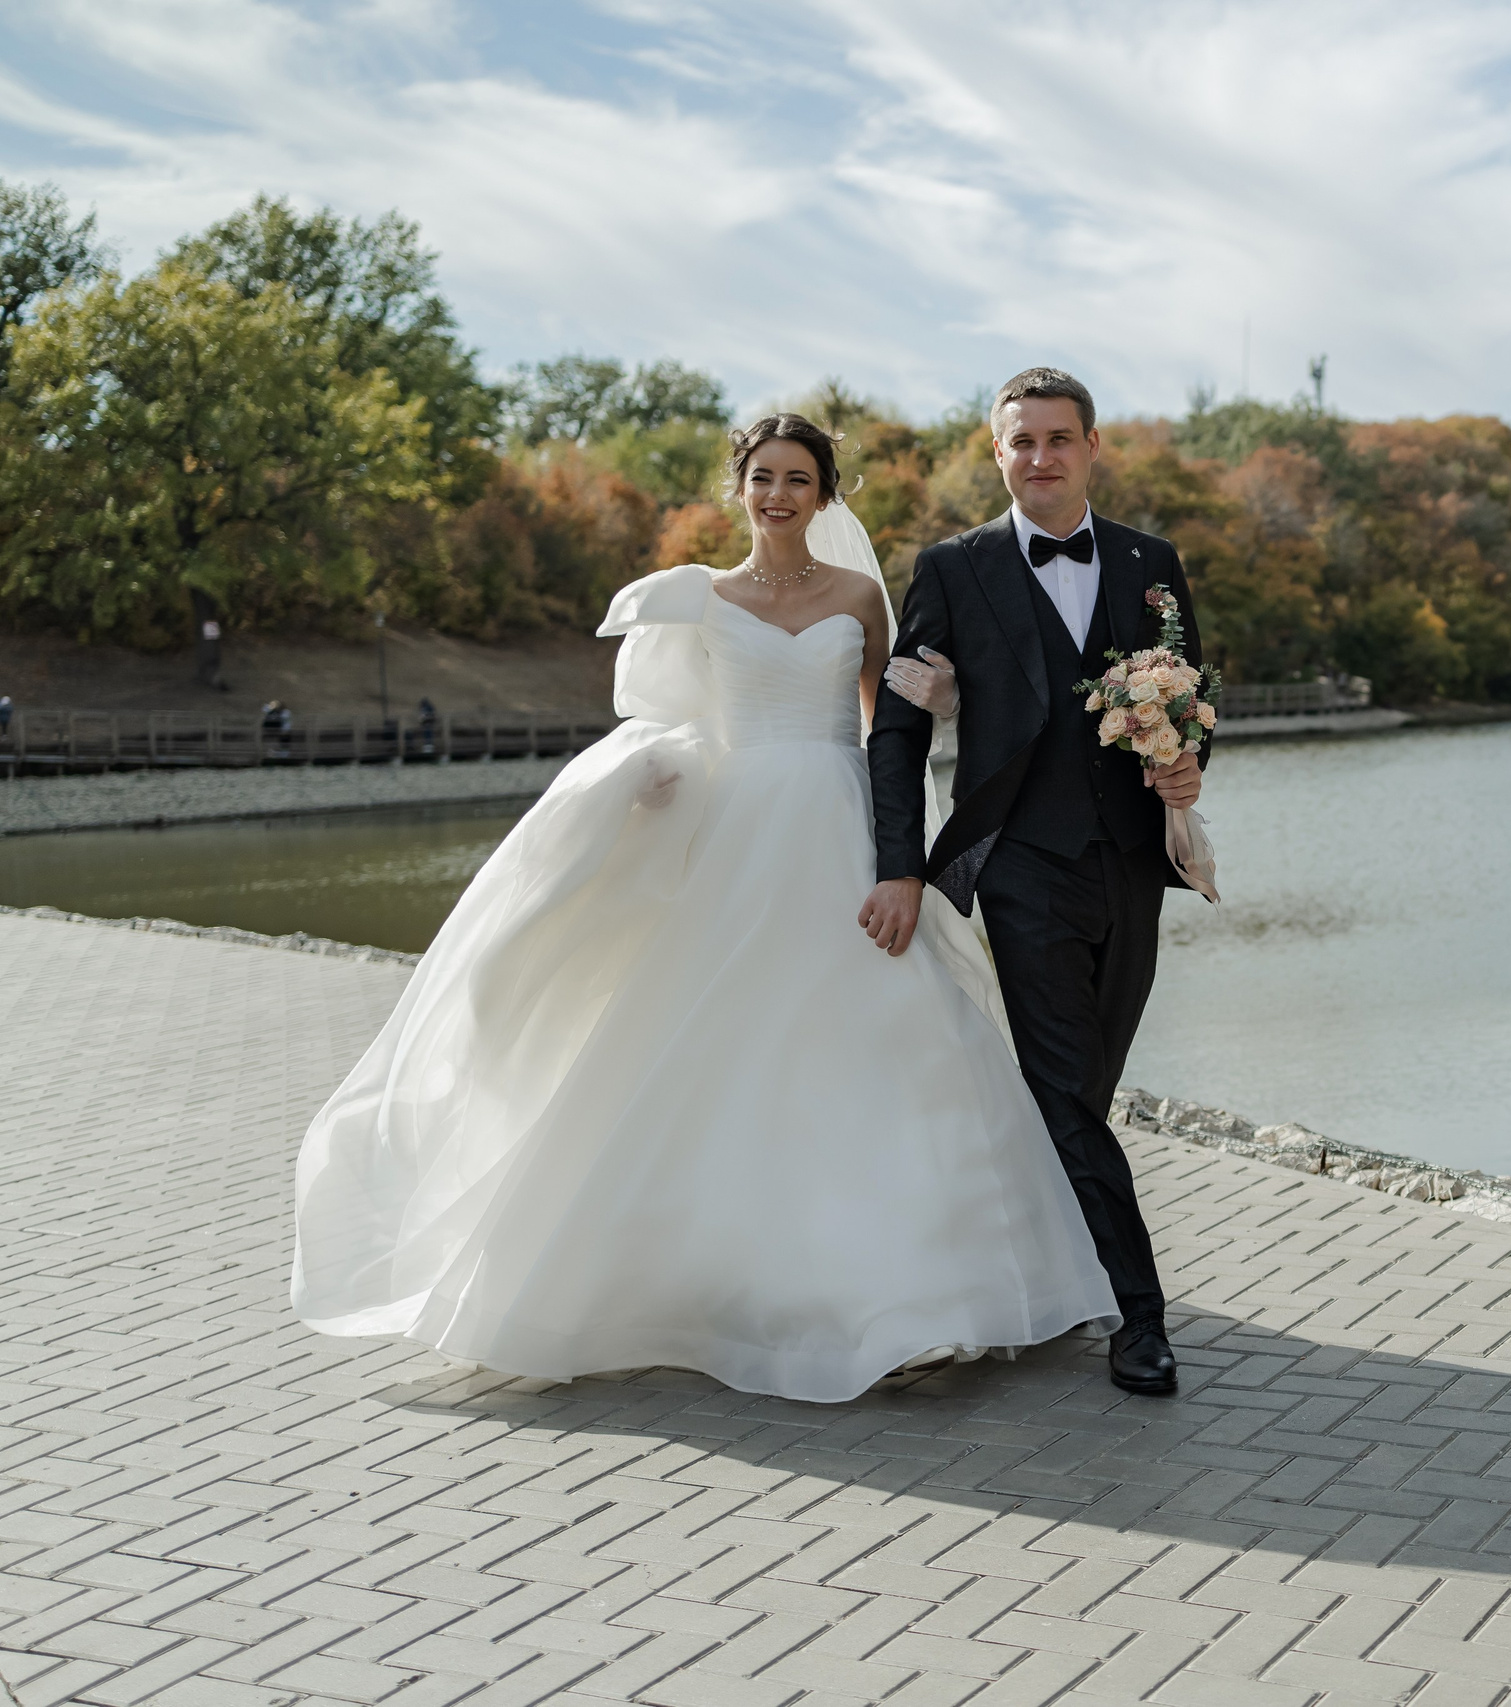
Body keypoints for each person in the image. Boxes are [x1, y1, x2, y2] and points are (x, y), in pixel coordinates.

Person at [291, 413, 1117, 1401]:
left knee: (884, 1033)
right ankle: (707, 1284)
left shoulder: (859, 595)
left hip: (837, 828)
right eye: (762, 477)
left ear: (823, 494)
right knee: (710, 1038)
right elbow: (668, 721)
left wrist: (916, 798)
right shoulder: (694, 600)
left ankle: (914, 1295)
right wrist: (655, 777)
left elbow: (882, 730)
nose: (777, 495)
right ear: (739, 488)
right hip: (737, 834)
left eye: (798, 479)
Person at [866, 367, 1210, 1398]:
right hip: (1016, 865)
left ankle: (1030, 1260)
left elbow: (1188, 702)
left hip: (1133, 866)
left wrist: (1192, 764)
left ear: (1092, 448)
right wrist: (900, 866)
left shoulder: (1153, 562)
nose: (1042, 457)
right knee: (1064, 1086)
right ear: (997, 449)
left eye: (1060, 439)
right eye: (1023, 441)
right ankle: (1139, 1318)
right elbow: (898, 729)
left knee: (1084, 1090)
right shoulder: (952, 567)